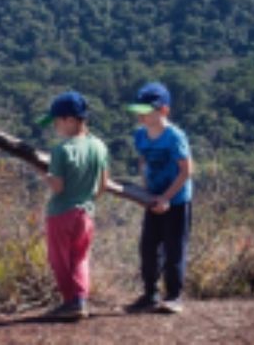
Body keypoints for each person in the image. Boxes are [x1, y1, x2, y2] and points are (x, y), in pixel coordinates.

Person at [39, 90, 110, 320]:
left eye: (57, 121)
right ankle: (80, 300)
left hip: (61, 213)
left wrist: (44, 175)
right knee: (80, 257)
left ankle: (69, 301)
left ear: (70, 120)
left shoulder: (61, 150)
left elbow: (58, 187)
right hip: (86, 212)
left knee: (59, 259)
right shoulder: (99, 146)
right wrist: (89, 199)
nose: (55, 127)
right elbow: (104, 183)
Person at [124, 81, 193, 314]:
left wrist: (166, 198)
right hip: (153, 199)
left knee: (174, 249)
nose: (141, 115)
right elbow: (143, 160)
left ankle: (174, 297)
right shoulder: (140, 135)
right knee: (148, 248)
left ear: (164, 110)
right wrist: (147, 191)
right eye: (139, 110)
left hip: (176, 200)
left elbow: (186, 171)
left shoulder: (175, 136)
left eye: (147, 110)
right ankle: (150, 295)